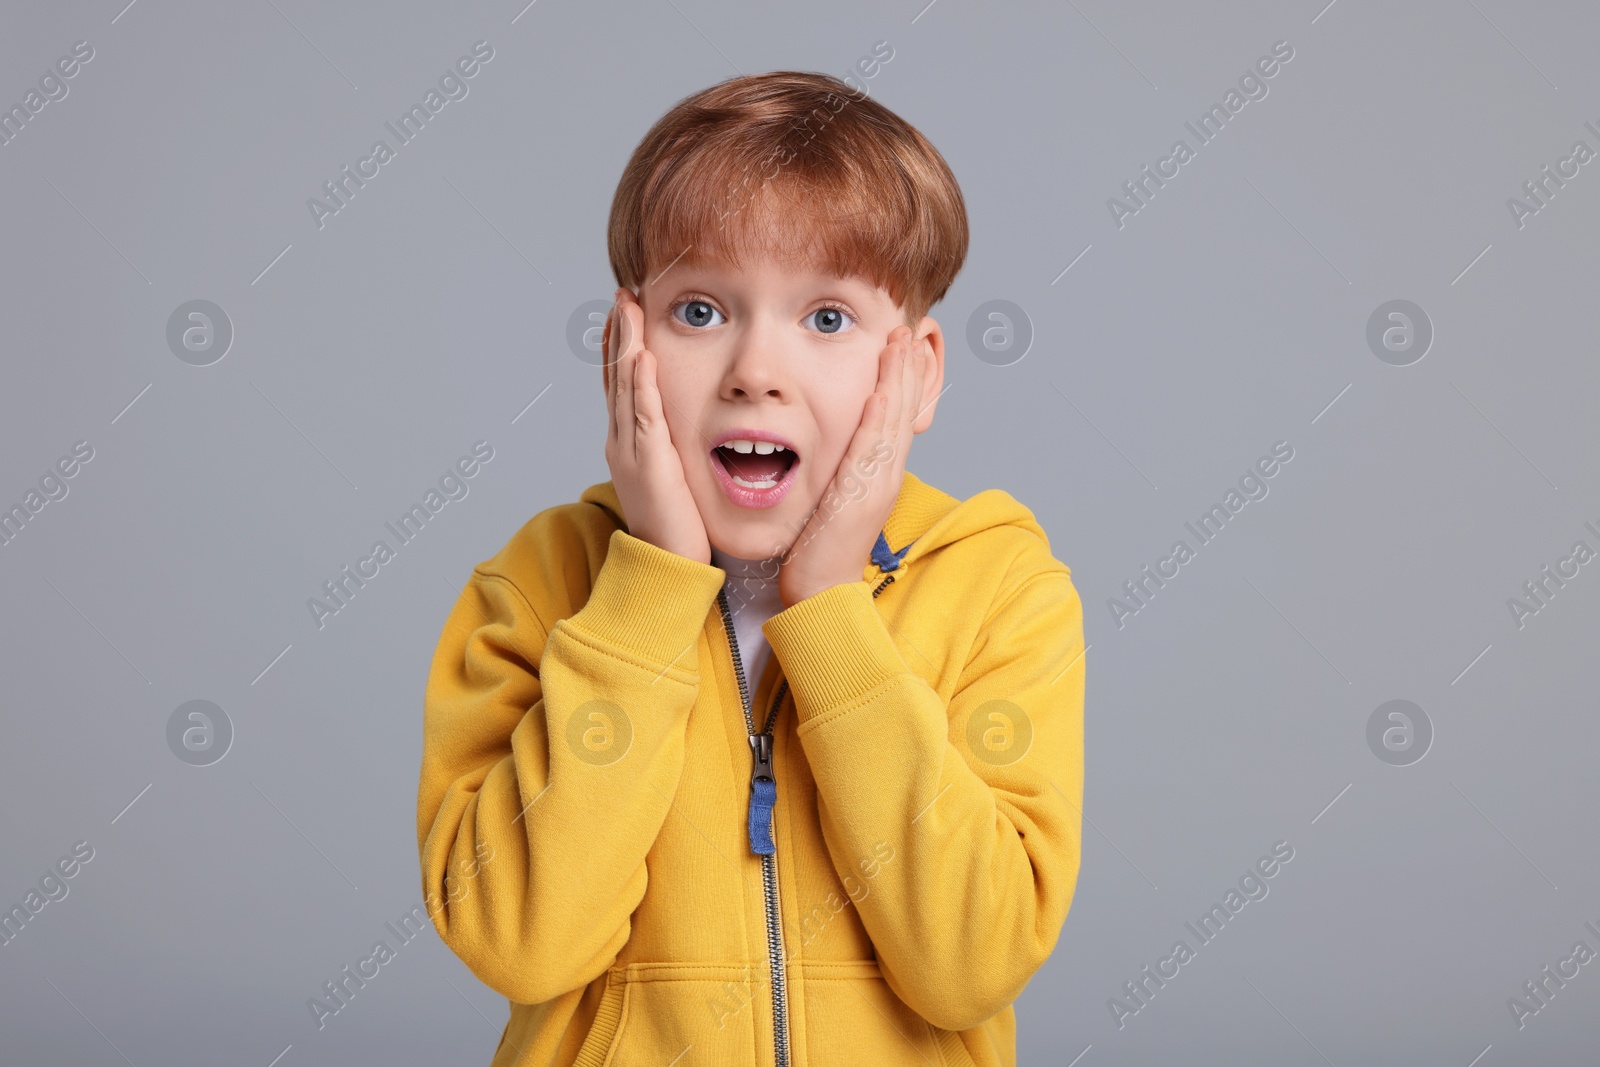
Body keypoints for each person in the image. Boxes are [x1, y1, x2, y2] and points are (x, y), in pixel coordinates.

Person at [416, 69, 1085, 1067]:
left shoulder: (998, 588)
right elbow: (520, 939)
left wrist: (827, 610)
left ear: (917, 371)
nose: (753, 370)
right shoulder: (539, 582)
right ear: (622, 343)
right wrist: (647, 590)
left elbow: (970, 961)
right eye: (698, 312)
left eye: (825, 319)